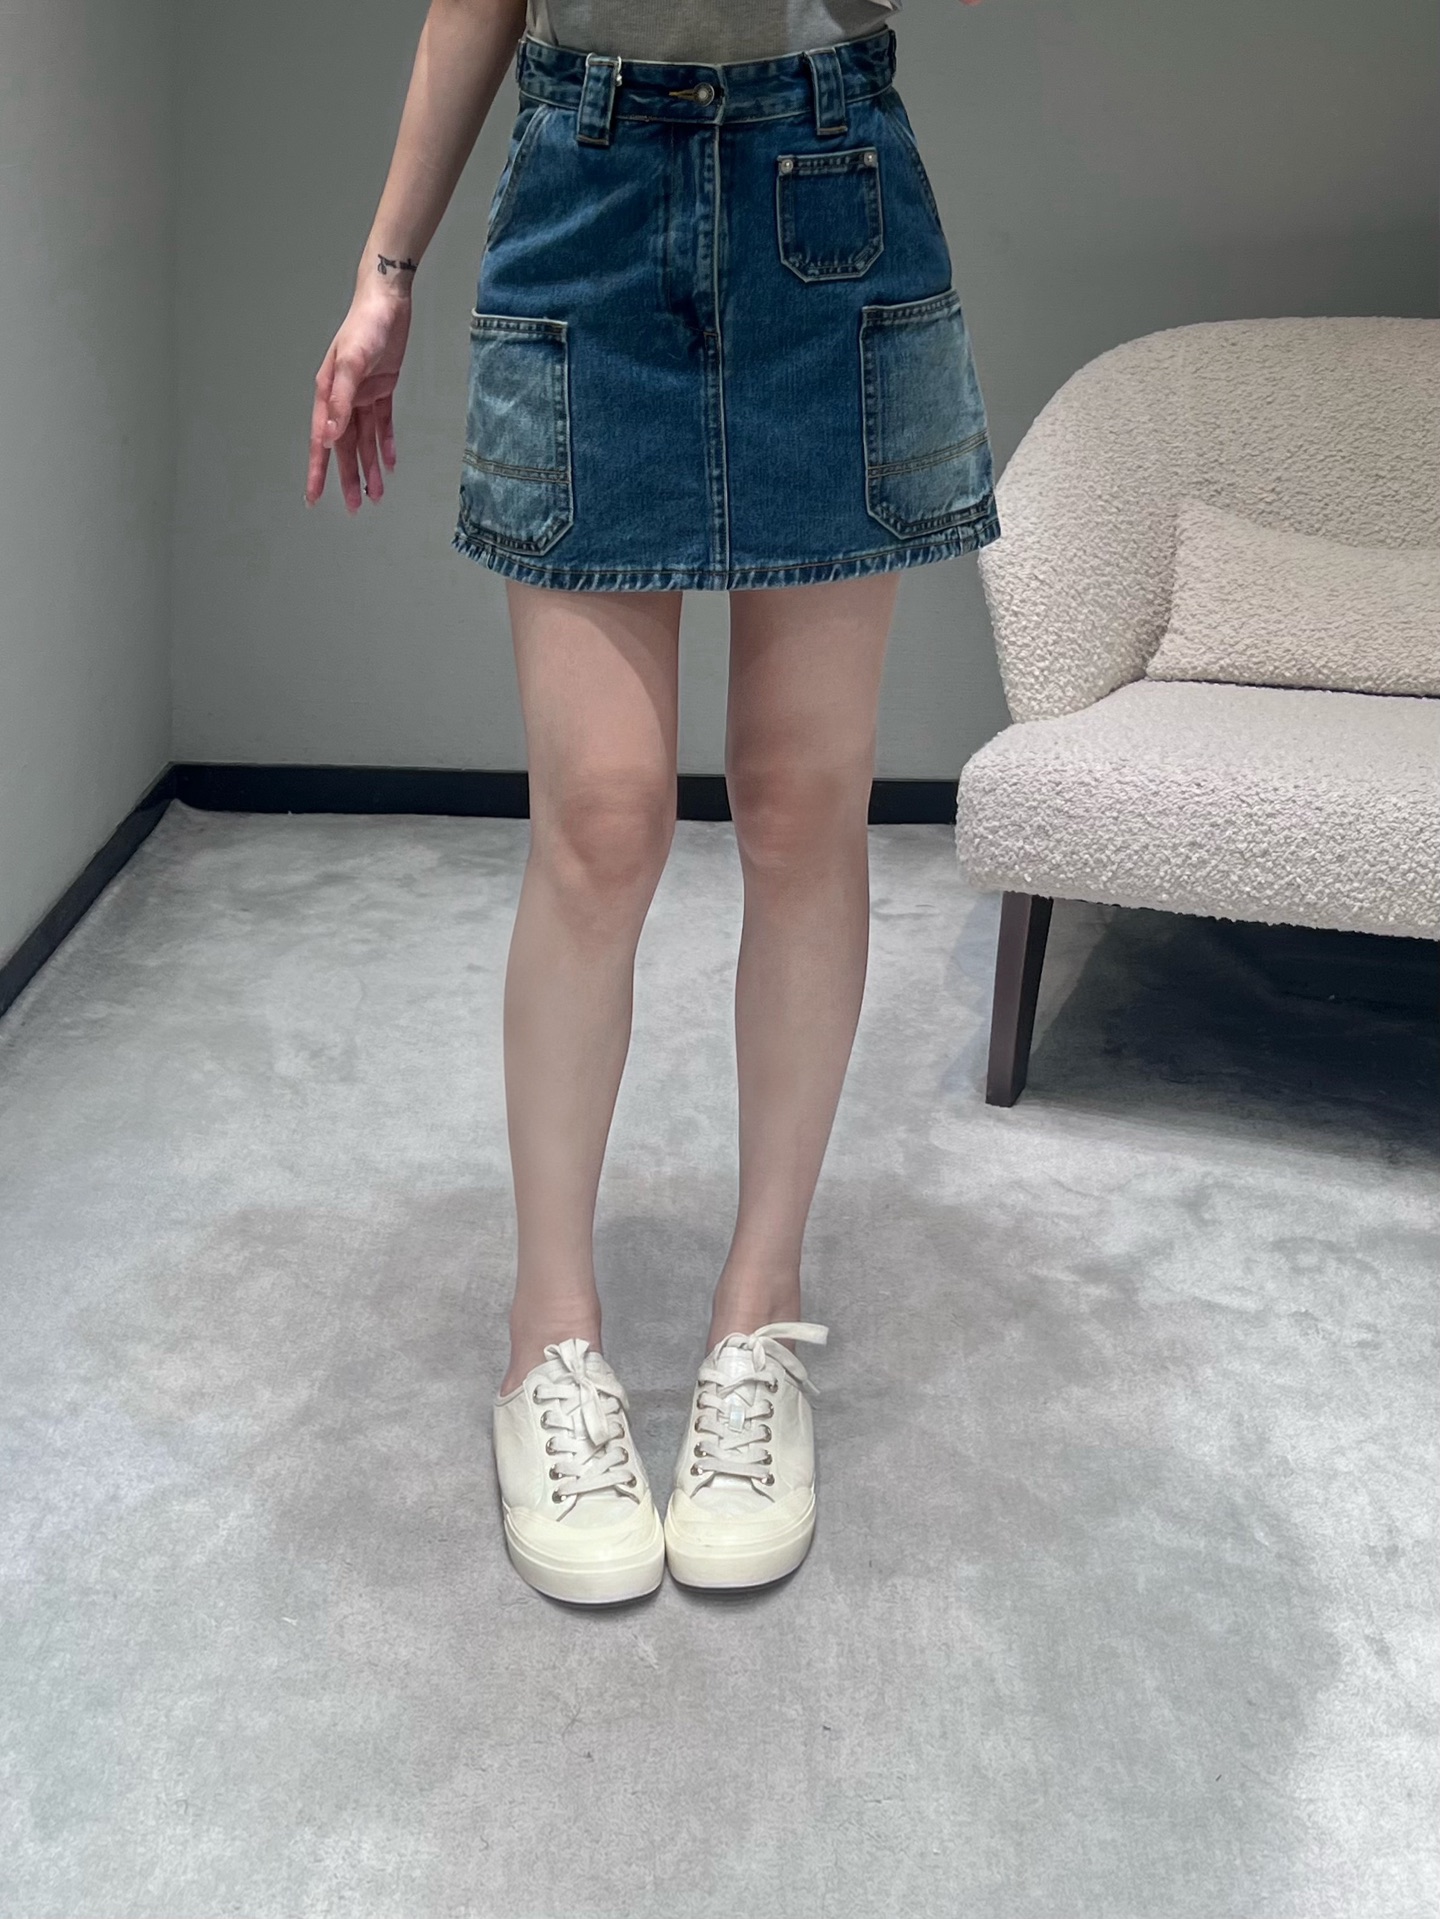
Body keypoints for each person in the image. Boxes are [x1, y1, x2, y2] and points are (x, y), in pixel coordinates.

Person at [304, 0, 996, 1606]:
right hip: (587, 190)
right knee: (601, 819)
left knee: (802, 803)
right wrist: (386, 269)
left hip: (829, 180)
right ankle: (548, 1339)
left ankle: (758, 1318)